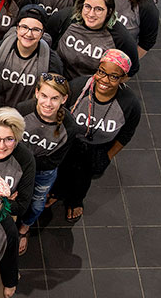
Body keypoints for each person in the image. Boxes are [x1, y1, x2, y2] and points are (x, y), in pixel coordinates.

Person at [52, 49, 141, 223]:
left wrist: (107, 156)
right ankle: (57, 192)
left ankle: (75, 201)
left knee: (83, 179)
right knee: (61, 171)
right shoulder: (78, 88)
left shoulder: (129, 104)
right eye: (102, 72)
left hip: (97, 148)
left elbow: (127, 133)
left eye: (113, 76)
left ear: (123, 78)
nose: (104, 80)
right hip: (70, 142)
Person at [16, 72, 76, 252]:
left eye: (54, 98)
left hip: (43, 172)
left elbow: (53, 161)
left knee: (36, 203)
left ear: (64, 99)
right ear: (36, 93)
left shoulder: (70, 126)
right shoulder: (22, 110)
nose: (48, 103)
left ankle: (24, 228)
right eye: (44, 96)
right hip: (15, 165)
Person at [44, 0, 139, 79]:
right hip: (59, 82)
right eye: (87, 7)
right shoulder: (66, 18)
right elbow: (45, 44)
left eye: (99, 9)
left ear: (109, 11)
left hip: (92, 88)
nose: (91, 14)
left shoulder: (120, 36)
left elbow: (132, 69)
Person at [0, 5, 60, 106]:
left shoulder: (52, 61)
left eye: (36, 30)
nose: (29, 34)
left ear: (43, 33)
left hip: (27, 115)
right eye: (24, 27)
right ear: (17, 28)